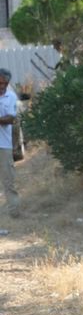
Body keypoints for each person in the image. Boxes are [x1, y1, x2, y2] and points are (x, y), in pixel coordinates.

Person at [0, 68, 19, 218]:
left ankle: (14, 212)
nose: (2, 86)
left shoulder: (11, 96)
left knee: (9, 181)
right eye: (0, 83)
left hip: (3, 145)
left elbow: (10, 119)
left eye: (5, 83)